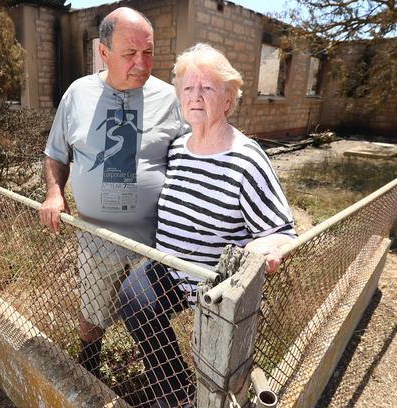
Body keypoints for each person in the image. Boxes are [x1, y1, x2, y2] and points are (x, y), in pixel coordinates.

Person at [119, 43, 297, 407]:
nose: (195, 96)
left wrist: (264, 247)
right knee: (132, 299)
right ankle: (176, 396)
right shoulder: (178, 148)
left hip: (216, 287)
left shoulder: (246, 159)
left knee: (215, 368)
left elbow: (282, 231)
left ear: (229, 100)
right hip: (169, 270)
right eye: (188, 88)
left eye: (208, 88)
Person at [39, 7, 185, 377]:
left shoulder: (171, 99)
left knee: (148, 320)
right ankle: (89, 377)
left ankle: (168, 393)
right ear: (103, 53)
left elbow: (194, 157)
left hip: (154, 240)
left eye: (148, 52)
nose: (141, 63)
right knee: (92, 319)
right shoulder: (78, 95)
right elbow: (56, 153)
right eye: (129, 54)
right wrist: (54, 193)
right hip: (96, 236)